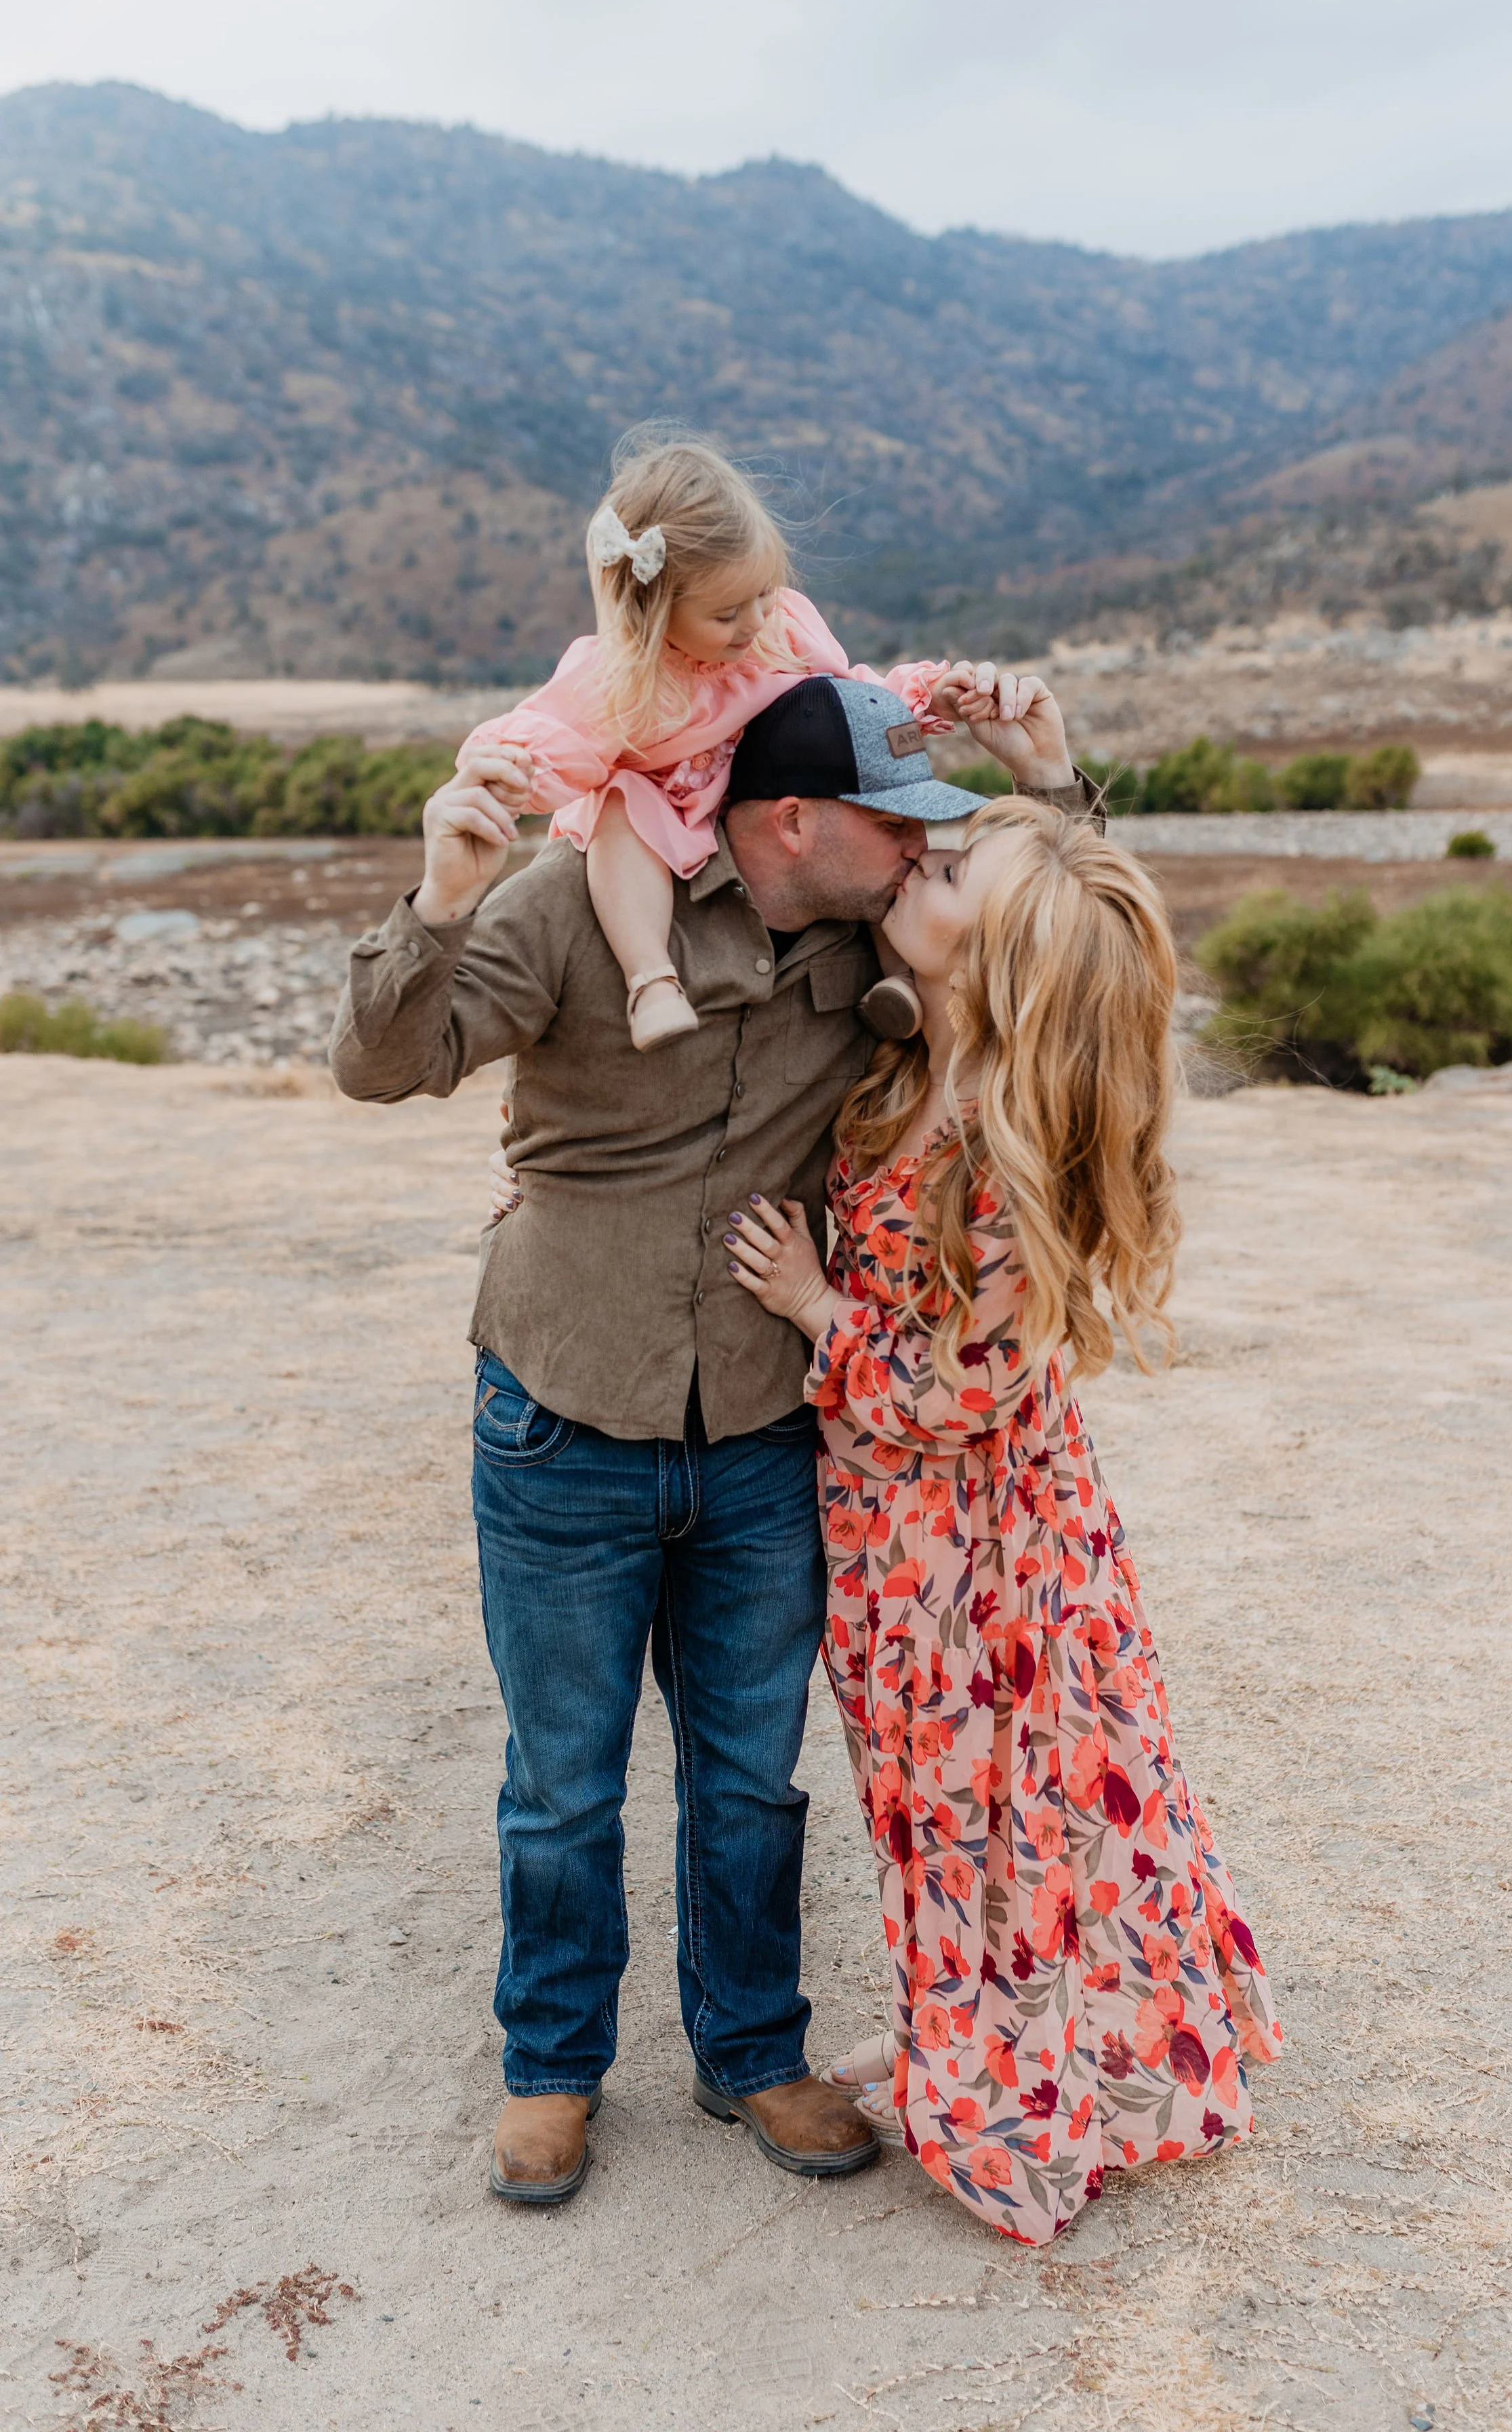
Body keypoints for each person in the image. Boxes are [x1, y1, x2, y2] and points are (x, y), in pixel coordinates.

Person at [329, 651, 1094, 2208]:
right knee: (563, 1777)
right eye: (900, 827)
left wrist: (1054, 781)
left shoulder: (873, 947)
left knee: (749, 1775)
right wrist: (439, 895)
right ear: (791, 816)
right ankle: (549, 2066)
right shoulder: (565, 908)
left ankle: (751, 2048)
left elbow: (1075, 957)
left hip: (758, 1433)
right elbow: (385, 1064)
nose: (927, 853)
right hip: (561, 1412)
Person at [722, 775, 1283, 2246]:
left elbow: (945, 1391)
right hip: (908, 1541)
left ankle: (1011, 2078)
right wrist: (1039, 763)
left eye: (954, 864)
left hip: (982, 1555)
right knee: (945, 1818)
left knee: (1000, 1820)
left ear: (1001, 945)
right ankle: (968, 2031)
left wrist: (808, 1305)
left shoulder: (1006, 1130)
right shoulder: (926, 1065)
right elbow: (1056, 878)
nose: (921, 860)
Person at [457, 431, 960, 1049]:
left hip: (755, 796)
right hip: (667, 802)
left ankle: (900, 977)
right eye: (726, 615)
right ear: (653, 609)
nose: (753, 623)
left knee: (877, 835)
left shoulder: (782, 630)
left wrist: (924, 698)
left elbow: (849, 698)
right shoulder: (619, 682)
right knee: (620, 809)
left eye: (763, 595)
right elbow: (557, 733)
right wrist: (510, 769)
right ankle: (650, 980)